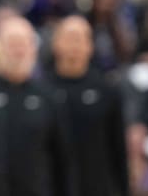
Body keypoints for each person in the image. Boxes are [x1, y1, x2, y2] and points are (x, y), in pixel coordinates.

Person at [0, 16, 77, 196]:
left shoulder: (49, 97)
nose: (19, 50)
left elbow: (63, 160)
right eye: (13, 44)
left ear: (34, 49)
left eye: (24, 43)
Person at [44, 16, 129, 196]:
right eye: (69, 38)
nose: (74, 46)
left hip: (98, 185)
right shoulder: (41, 91)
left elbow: (118, 148)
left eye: (80, 39)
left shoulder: (106, 90)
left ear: (90, 46)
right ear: (55, 44)